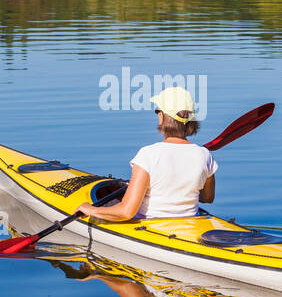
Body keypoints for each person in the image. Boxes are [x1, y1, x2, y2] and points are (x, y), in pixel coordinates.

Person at [76, 86, 217, 223]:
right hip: (189, 224)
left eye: (157, 111)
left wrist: (90, 209)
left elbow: (126, 212)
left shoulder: (148, 155)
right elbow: (207, 198)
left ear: (161, 116)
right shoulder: (204, 155)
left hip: (151, 225)